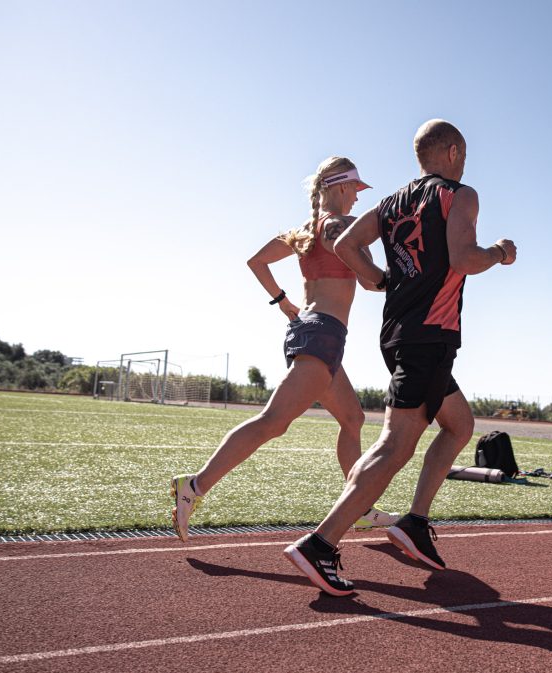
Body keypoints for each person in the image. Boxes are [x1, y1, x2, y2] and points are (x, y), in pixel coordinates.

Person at [283, 120, 517, 596]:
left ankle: (414, 522)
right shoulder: (460, 194)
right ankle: (320, 544)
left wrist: (378, 278)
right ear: (452, 152)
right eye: (465, 153)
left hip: (399, 333)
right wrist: (499, 252)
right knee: (395, 445)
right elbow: (462, 259)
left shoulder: (390, 202)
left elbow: (347, 245)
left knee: (460, 424)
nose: (466, 161)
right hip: (429, 335)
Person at [170, 156, 400, 541]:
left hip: (313, 333)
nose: (358, 199)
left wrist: (283, 302)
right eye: (357, 190)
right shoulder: (342, 227)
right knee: (273, 422)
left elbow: (256, 261)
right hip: (322, 335)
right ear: (342, 187)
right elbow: (371, 284)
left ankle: (358, 506)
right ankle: (193, 486)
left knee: (353, 419)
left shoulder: (306, 230)